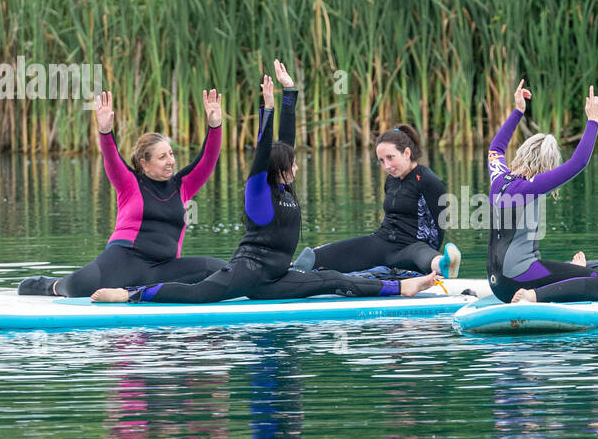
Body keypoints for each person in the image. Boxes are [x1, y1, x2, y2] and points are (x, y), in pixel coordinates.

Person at [91, 61, 437, 303]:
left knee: (332, 280)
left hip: (277, 277)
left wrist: (289, 94)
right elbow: (263, 151)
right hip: (247, 273)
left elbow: (284, 143)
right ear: (282, 168)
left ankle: (401, 289)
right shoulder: (259, 190)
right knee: (200, 294)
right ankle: (129, 294)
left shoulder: (286, 187)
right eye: (293, 163)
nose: (297, 164)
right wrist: (266, 110)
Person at [17, 89, 226, 297]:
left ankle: (136, 293)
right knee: (76, 288)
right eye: (162, 157)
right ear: (144, 163)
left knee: (221, 269)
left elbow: (208, 158)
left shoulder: (183, 186)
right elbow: (111, 158)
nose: (171, 161)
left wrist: (215, 125)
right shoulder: (130, 184)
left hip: (164, 268)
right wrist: (105, 131)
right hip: (122, 262)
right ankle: (49, 285)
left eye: (171, 154)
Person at [486, 80, 598, 304]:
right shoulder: (531, 186)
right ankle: (532, 296)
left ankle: (569, 271)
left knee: (557, 269)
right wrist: (593, 120)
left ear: (522, 152)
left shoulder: (498, 179)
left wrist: (518, 111)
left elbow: (495, 149)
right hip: (519, 281)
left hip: (496, 283)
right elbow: (578, 163)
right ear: (547, 166)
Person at [308, 125, 462, 278]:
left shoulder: (428, 181)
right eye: (381, 161)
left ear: (407, 153)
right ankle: (293, 271)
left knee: (421, 254)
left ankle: (444, 265)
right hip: (382, 242)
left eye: (390, 158)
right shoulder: (391, 181)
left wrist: (429, 263)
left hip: (412, 247)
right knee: (315, 257)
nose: (386, 166)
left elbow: (438, 229)